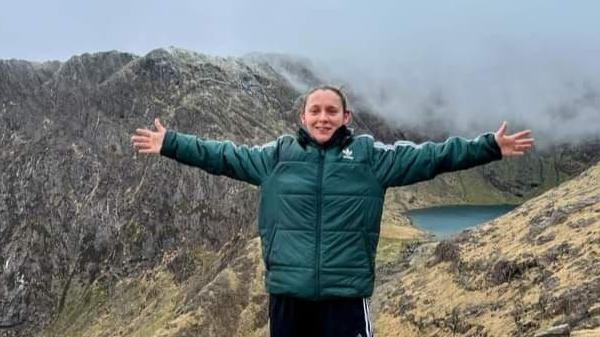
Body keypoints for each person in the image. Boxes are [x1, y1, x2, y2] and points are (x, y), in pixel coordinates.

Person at [131, 85, 534, 337]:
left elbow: (432, 156)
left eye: (331, 111)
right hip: (289, 297)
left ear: (345, 117)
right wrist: (171, 143)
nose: (323, 117)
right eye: (315, 111)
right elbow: (220, 155)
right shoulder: (276, 158)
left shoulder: (369, 157)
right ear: (302, 118)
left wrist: (489, 146)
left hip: (345, 297)